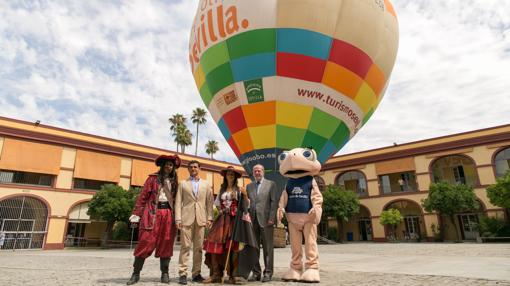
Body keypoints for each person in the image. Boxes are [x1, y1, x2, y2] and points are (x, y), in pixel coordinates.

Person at [127, 154, 180, 285]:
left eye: (171, 165)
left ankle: (165, 273)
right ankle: (135, 274)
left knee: (166, 243)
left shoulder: (174, 182)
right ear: (162, 166)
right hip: (152, 213)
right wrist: (137, 213)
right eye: (167, 164)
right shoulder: (152, 179)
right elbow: (143, 196)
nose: (169, 167)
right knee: (145, 241)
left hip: (168, 214)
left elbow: (178, 200)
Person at [202, 166, 250, 284]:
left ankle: (233, 275)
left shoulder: (239, 190)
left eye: (232, 174)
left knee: (233, 247)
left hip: (234, 221)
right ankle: (216, 274)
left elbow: (247, 205)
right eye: (228, 174)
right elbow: (217, 204)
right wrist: (223, 210)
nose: (230, 176)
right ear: (225, 176)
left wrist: (244, 195)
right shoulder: (222, 190)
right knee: (214, 244)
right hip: (222, 220)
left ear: (235, 177)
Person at [175, 160, 214, 285]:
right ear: (188, 169)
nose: (193, 169)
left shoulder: (206, 184)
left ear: (199, 169)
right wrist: (178, 219)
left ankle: (196, 273)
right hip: (186, 219)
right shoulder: (182, 184)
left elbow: (209, 203)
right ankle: (183, 273)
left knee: (198, 248)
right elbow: (178, 202)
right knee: (185, 247)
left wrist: (210, 218)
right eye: (190, 167)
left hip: (201, 219)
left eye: (195, 167)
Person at [246, 164, 278, 282]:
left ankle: (268, 273)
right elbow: (248, 204)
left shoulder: (271, 184)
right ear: (253, 173)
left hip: (266, 221)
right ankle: (256, 273)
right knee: (254, 248)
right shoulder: (249, 186)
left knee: (267, 248)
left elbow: (274, 202)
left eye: (259, 171)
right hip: (252, 221)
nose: (257, 173)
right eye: (255, 171)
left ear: (263, 172)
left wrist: (272, 218)